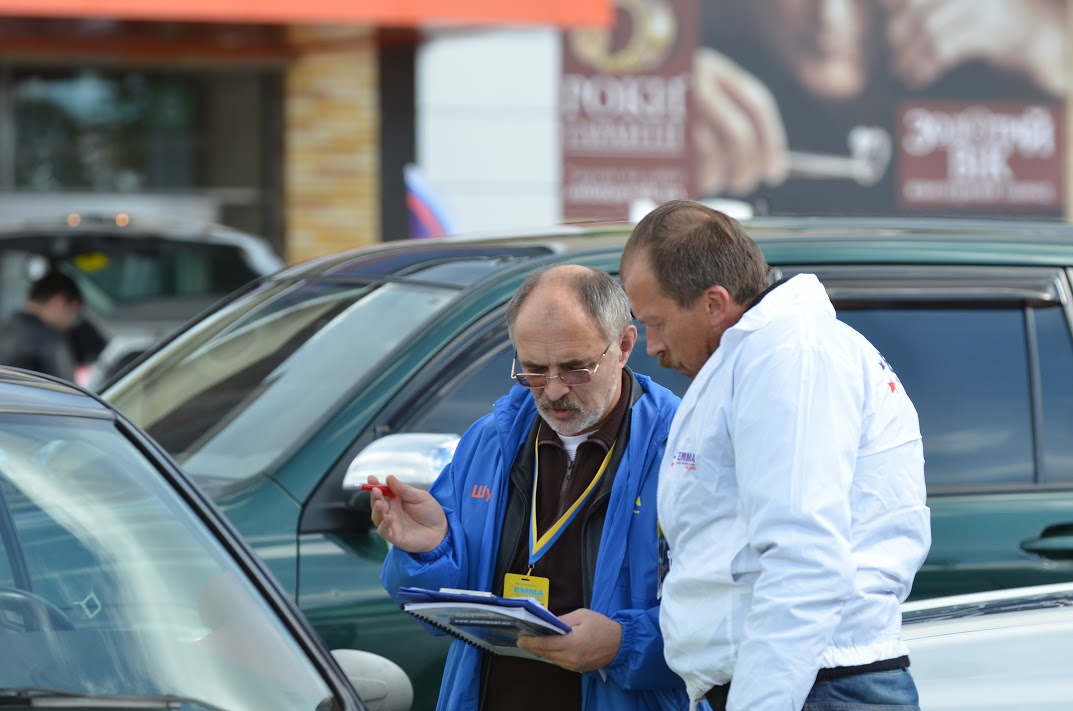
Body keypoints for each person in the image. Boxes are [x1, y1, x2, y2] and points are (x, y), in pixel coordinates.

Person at [619, 200, 932, 711]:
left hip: (815, 687)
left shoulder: (789, 356)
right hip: (803, 683)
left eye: (656, 322)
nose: (651, 346)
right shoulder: (765, 354)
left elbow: (803, 558)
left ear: (714, 303)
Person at [371, 264, 690, 711]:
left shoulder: (683, 449)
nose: (553, 391)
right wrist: (429, 550)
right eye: (534, 370)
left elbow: (728, 618)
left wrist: (624, 643)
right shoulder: (488, 441)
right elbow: (442, 612)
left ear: (623, 346)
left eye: (575, 369)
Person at [694, 0, 1065, 213]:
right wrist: (661, 105)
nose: (830, 14)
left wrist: (1051, 43)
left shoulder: (997, 70)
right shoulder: (702, 59)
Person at [0, 270, 84, 381]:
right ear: (60, 302)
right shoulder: (51, 341)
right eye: (73, 312)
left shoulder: (5, 328)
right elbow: (67, 389)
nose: (71, 324)